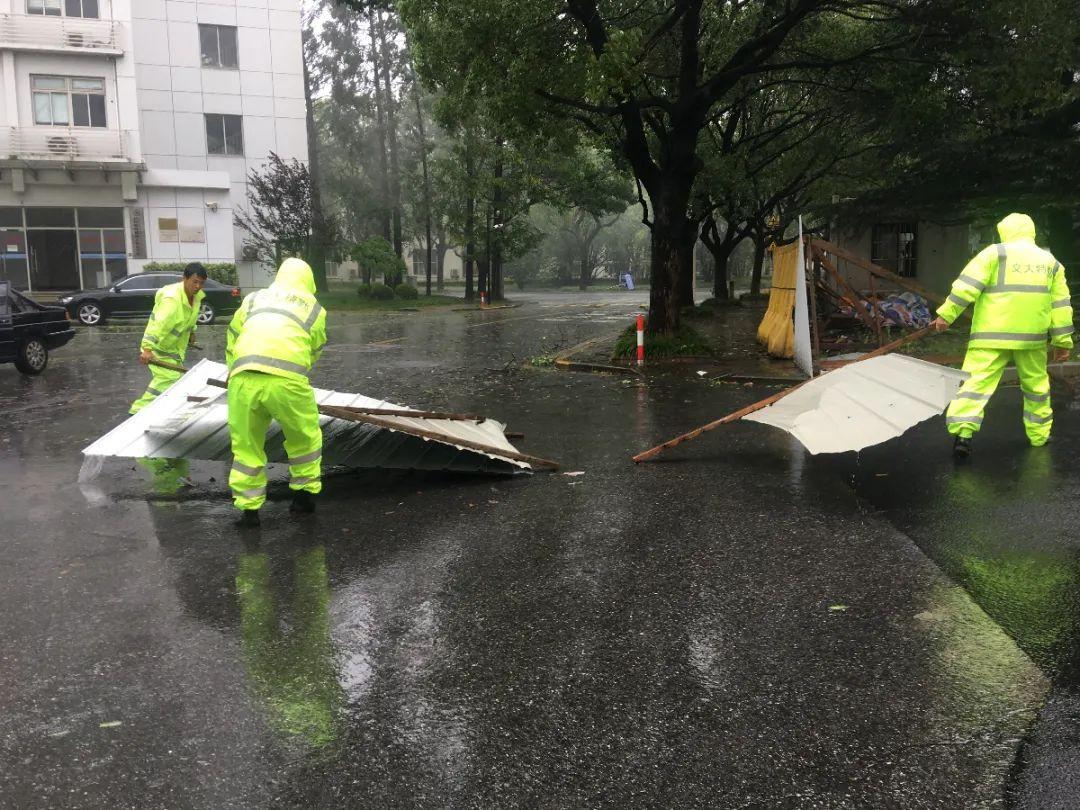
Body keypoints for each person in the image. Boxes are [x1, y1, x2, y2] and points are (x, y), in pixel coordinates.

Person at [931, 213, 1073, 458]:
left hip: (990, 337)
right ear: (1032, 232)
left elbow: (966, 285)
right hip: (1032, 339)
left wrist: (946, 315)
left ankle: (963, 434)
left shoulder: (995, 254)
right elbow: (1061, 306)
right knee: (1036, 388)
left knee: (975, 385)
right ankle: (1039, 437)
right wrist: (1062, 341)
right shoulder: (1050, 262)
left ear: (1004, 231)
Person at [226, 257, 326, 527]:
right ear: (308, 280)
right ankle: (303, 499)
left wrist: (232, 370)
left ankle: (249, 512)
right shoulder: (313, 308)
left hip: (243, 378)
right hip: (287, 381)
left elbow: (234, 334)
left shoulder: (254, 298)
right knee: (304, 439)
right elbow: (314, 348)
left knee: (246, 445)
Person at [129, 263, 206, 414]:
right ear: (184, 279)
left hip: (173, 350)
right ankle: (136, 413)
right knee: (167, 380)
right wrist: (147, 348)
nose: (198, 286)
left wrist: (191, 332)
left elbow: (190, 318)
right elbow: (157, 324)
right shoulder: (172, 299)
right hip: (157, 348)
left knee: (175, 381)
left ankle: (160, 412)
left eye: (201, 283)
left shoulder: (195, 298)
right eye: (195, 282)